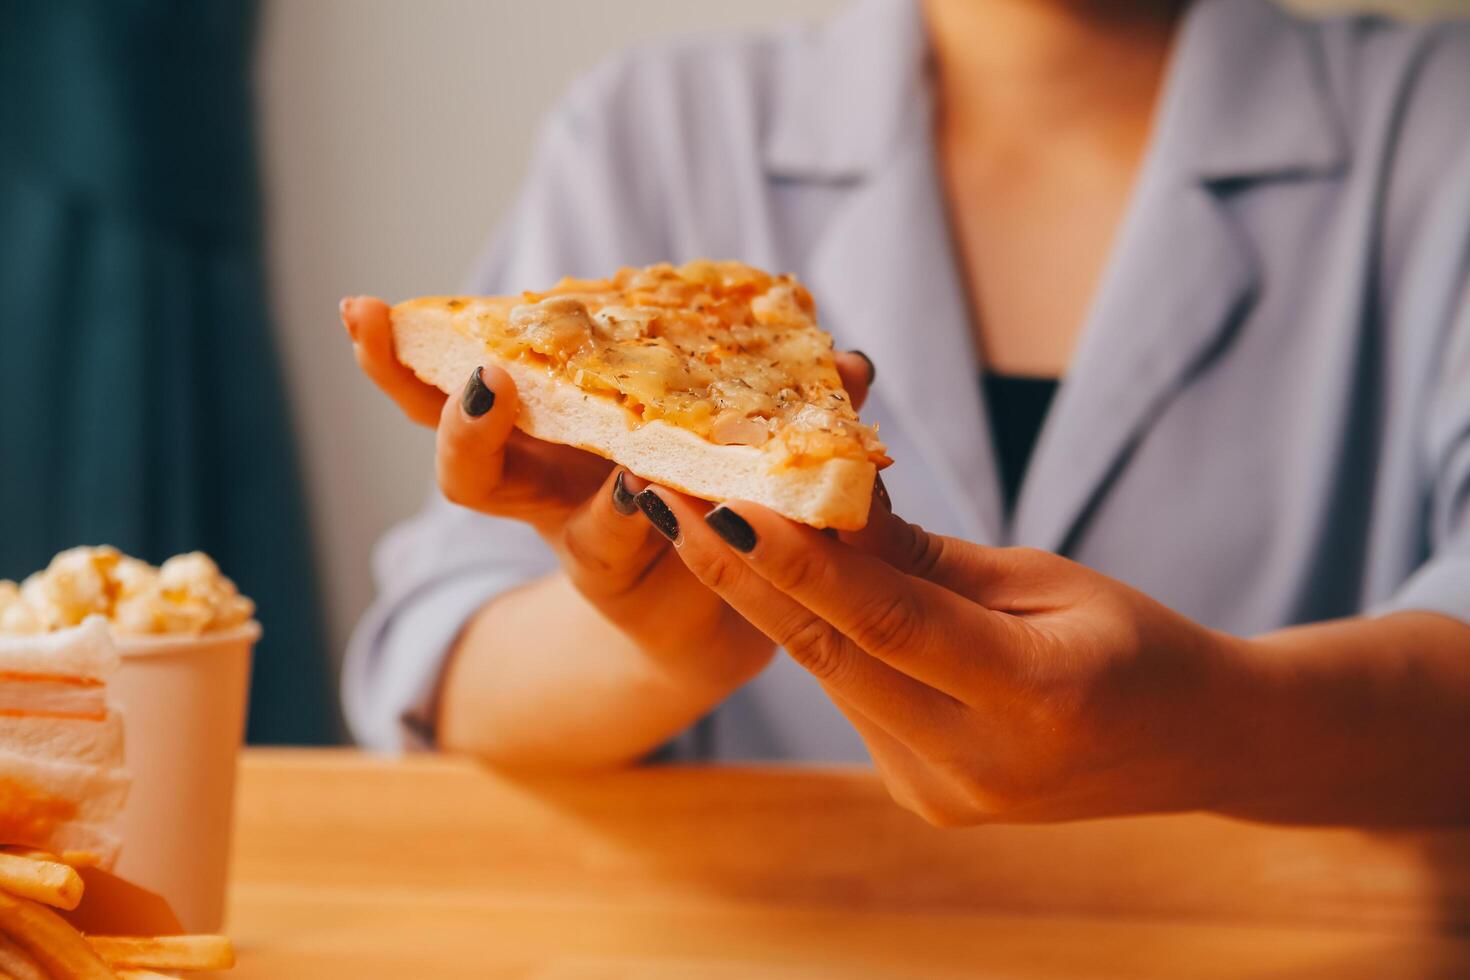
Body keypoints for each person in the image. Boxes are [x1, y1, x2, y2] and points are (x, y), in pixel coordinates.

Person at [340, 0, 1470, 825]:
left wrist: (1227, 724)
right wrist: (667, 644)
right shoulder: (655, 122)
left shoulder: (1440, 122)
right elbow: (439, 672)